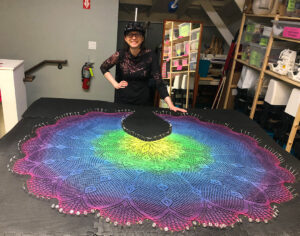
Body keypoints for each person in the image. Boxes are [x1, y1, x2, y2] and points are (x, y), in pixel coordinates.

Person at [100, 22, 186, 113]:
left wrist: (171, 105)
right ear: (125, 38)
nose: (133, 37)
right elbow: (103, 67)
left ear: (142, 38)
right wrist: (115, 84)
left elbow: (159, 82)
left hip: (143, 102)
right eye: (130, 35)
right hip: (122, 101)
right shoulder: (121, 54)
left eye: (137, 34)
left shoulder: (151, 55)